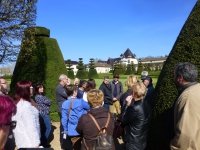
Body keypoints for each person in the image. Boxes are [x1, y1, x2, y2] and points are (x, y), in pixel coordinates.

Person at [170, 62, 200, 150]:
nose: (173, 78)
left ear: (180, 78)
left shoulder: (187, 97)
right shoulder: (197, 88)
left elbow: (185, 137)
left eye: (174, 76)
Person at [12, 81, 41, 148]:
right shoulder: (26, 106)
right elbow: (30, 126)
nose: (32, 89)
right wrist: (36, 144)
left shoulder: (19, 103)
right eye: (30, 87)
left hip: (22, 140)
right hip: (29, 143)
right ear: (25, 90)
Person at [122, 82, 150, 150]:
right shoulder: (147, 104)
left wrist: (127, 105)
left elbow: (123, 120)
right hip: (142, 139)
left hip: (133, 142)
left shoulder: (135, 108)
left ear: (134, 93)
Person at [62, 84, 90, 150]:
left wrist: (66, 130)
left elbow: (64, 119)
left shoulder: (64, 103)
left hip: (71, 130)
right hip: (82, 129)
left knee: (75, 147)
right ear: (74, 92)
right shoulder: (81, 101)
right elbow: (89, 108)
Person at [55, 74, 70, 149]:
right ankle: (63, 142)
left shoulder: (63, 87)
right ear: (62, 80)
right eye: (66, 79)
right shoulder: (59, 88)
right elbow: (68, 95)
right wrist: (68, 86)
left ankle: (65, 141)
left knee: (65, 125)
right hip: (62, 109)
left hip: (65, 108)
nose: (67, 80)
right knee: (63, 125)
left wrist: (67, 86)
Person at [34, 83, 52, 147]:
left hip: (43, 114)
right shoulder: (38, 96)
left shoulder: (41, 96)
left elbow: (48, 102)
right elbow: (49, 102)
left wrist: (48, 101)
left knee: (43, 129)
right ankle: (43, 142)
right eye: (40, 88)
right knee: (48, 128)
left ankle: (43, 142)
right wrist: (49, 101)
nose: (42, 89)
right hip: (43, 114)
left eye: (42, 87)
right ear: (37, 89)